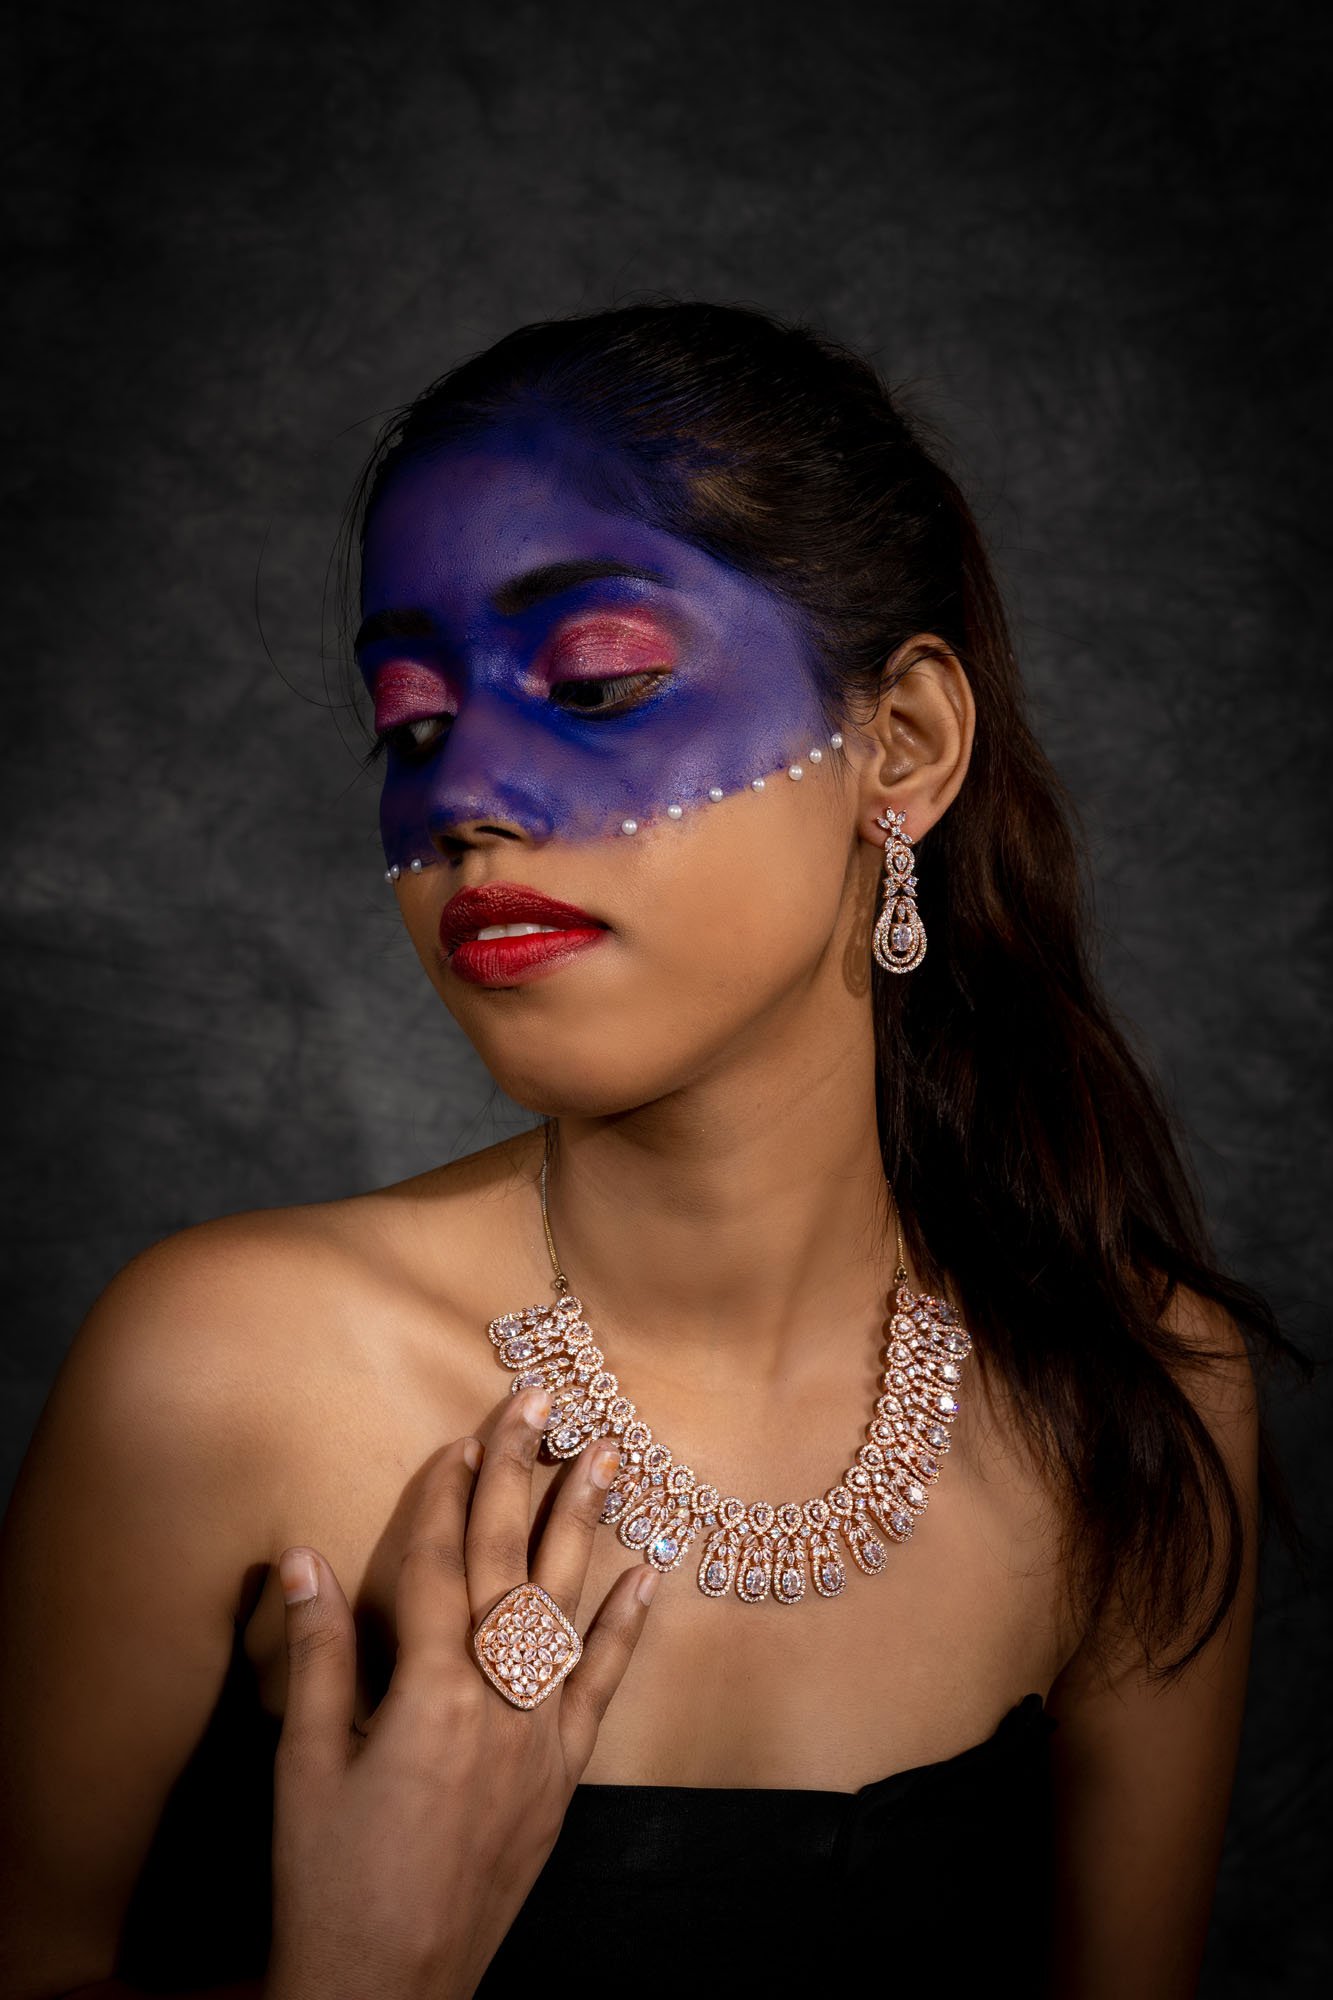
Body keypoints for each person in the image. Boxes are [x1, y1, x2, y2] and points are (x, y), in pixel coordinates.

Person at [0, 300, 1301, 1999]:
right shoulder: (225, 1370)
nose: (464, 794)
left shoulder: (1130, 1384)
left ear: (901, 747)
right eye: (410, 720)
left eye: (597, 683)